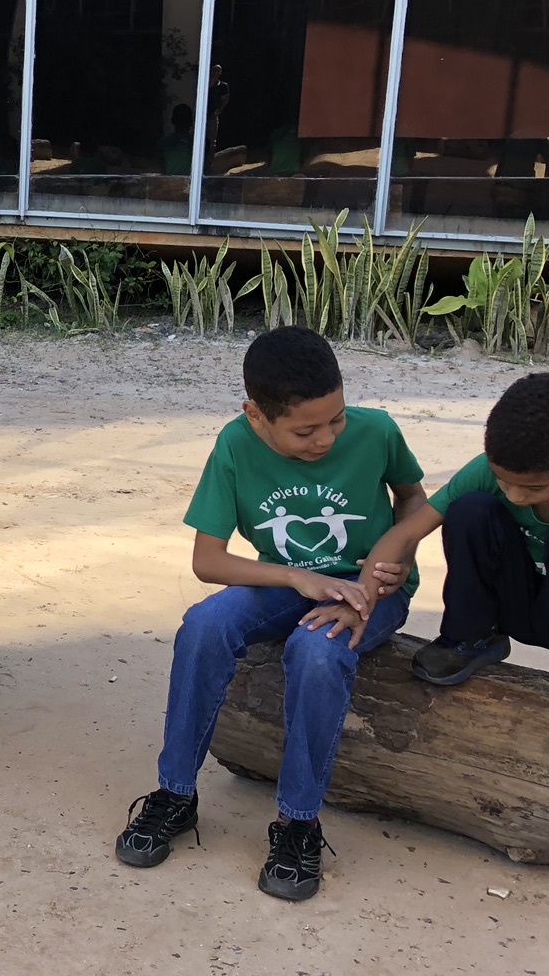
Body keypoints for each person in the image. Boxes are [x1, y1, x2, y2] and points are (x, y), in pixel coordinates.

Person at [116, 326, 426, 900]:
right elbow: (208, 561)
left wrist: (396, 557)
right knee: (204, 625)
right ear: (256, 415)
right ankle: (175, 793)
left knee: (316, 651)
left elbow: (413, 499)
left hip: (370, 591)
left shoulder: (378, 430)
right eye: (305, 431)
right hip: (288, 584)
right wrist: (294, 576)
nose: (326, 439)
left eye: (336, 420)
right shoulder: (235, 444)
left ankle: (298, 822)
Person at [367, 372, 549, 745]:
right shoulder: (488, 471)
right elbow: (407, 532)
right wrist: (360, 598)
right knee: (469, 509)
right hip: (520, 604)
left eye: (534, 487)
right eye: (503, 480)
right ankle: (473, 637)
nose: (515, 496)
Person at [159, 102, 195, 176]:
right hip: (191, 182)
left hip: (169, 182)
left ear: (172, 120)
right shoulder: (199, 144)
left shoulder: (163, 143)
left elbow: (161, 169)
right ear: (191, 122)